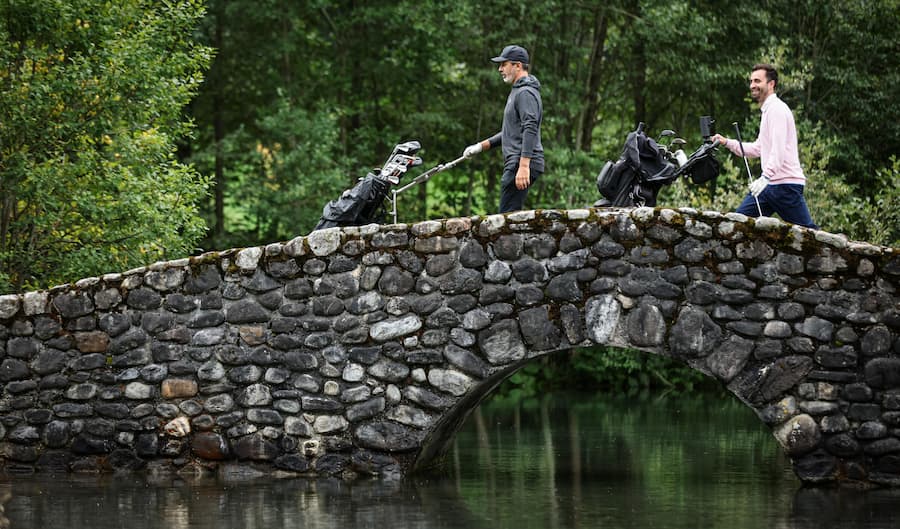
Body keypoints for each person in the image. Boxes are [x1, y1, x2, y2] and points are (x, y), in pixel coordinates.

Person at [711, 63, 818, 229]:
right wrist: (727, 142)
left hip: (785, 187)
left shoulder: (777, 110)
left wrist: (765, 177)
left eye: (757, 81)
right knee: (737, 224)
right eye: (751, 81)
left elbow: (779, 151)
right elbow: (758, 149)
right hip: (768, 187)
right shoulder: (768, 111)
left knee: (809, 234)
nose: (752, 85)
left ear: (771, 84)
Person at [463, 44, 544, 213]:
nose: (500, 69)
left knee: (507, 218)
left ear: (518, 65)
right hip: (517, 162)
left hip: (520, 162)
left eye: (504, 64)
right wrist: (481, 146)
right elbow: (510, 132)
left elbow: (530, 127)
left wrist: (523, 166)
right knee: (509, 217)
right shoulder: (517, 91)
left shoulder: (525, 92)